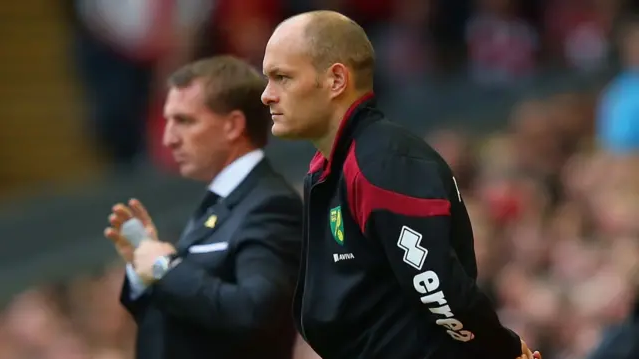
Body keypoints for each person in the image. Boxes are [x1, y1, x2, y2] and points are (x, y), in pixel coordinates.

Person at [261, 10, 542, 359]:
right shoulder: (332, 166)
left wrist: (505, 349)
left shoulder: (383, 163)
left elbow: (438, 289)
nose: (267, 95)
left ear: (336, 80)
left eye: (282, 78)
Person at [104, 55, 302, 359]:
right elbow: (180, 317)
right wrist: (144, 269)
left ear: (233, 126)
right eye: (167, 120)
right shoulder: (216, 205)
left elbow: (255, 313)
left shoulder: (271, 205)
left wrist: (164, 266)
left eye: (184, 121)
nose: (169, 139)